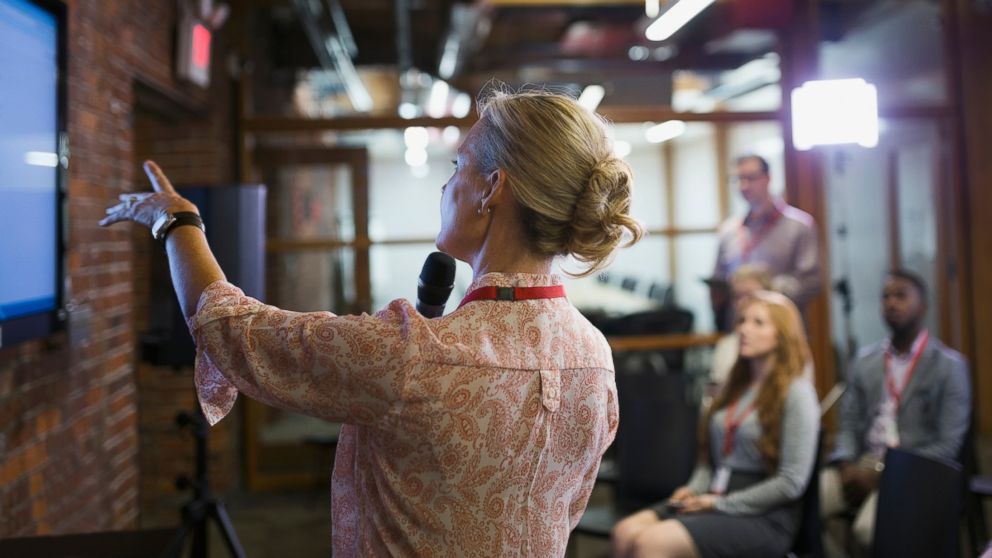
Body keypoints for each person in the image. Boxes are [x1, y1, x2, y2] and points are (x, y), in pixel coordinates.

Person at [100, 89, 644, 556]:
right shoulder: (594, 357)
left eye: (458, 165)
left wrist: (176, 220)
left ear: (491, 189)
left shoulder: (417, 355)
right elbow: (566, 511)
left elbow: (231, 328)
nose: (448, 184)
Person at [612, 290, 820, 558]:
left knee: (652, 542)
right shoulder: (734, 387)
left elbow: (791, 482)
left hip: (763, 515)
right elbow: (709, 463)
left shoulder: (797, 393)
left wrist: (722, 504)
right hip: (712, 497)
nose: (744, 329)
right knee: (625, 531)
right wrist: (693, 489)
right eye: (743, 320)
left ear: (782, 336)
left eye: (758, 323)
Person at [821, 269, 971, 552]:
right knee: (802, 510)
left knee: (868, 530)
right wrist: (846, 464)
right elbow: (849, 423)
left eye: (901, 296)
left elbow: (948, 445)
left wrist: (889, 474)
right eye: (886, 297)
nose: (891, 303)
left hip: (913, 472)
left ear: (923, 306)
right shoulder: (865, 361)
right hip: (861, 464)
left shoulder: (950, 366)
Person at [712, 154, 821, 327]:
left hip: (783, 327)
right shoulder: (729, 230)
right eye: (738, 179)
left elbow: (811, 281)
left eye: (751, 178)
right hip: (739, 327)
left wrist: (765, 290)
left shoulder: (799, 225)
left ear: (768, 178)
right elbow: (719, 278)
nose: (743, 186)